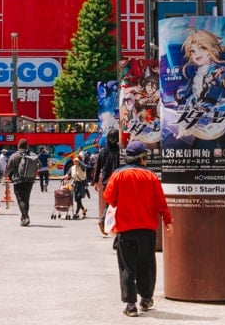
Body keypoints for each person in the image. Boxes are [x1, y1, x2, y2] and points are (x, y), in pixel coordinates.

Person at [103, 140, 173, 318]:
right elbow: (161, 202)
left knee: (127, 267)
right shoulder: (151, 176)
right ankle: (146, 299)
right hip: (147, 229)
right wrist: (168, 221)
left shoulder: (118, 175)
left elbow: (109, 198)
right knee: (147, 264)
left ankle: (131, 305)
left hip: (125, 229)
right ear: (141, 158)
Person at [6, 139, 38, 226]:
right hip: (30, 180)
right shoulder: (32, 155)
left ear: (18, 146)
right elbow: (39, 165)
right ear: (27, 146)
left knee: (21, 199)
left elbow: (8, 168)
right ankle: (25, 216)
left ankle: (25, 217)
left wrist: (4, 176)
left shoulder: (14, 156)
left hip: (18, 180)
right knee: (26, 199)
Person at [94, 132, 120, 235]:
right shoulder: (119, 151)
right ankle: (105, 221)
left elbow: (98, 168)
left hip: (105, 182)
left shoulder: (103, 152)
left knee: (109, 203)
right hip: (117, 181)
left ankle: (106, 222)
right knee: (115, 204)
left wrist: (96, 181)